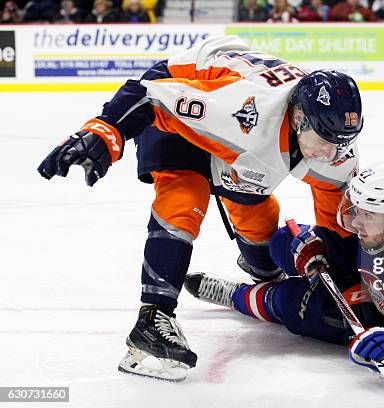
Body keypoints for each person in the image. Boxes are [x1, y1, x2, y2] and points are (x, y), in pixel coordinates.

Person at [37, 36, 363, 381]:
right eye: (324, 141)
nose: (331, 154)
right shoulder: (242, 111)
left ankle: (264, 278)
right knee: (184, 197)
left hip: (243, 116)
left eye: (340, 143)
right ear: (299, 118)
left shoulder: (335, 147)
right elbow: (148, 95)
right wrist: (104, 133)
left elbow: (338, 226)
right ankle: (153, 319)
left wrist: (346, 280)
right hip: (189, 92)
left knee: (253, 208)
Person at [185, 158, 384, 382]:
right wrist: (319, 246)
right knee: (286, 242)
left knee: (297, 304)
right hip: (376, 263)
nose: (354, 222)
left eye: (367, 215)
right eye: (357, 210)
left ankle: (239, 295)